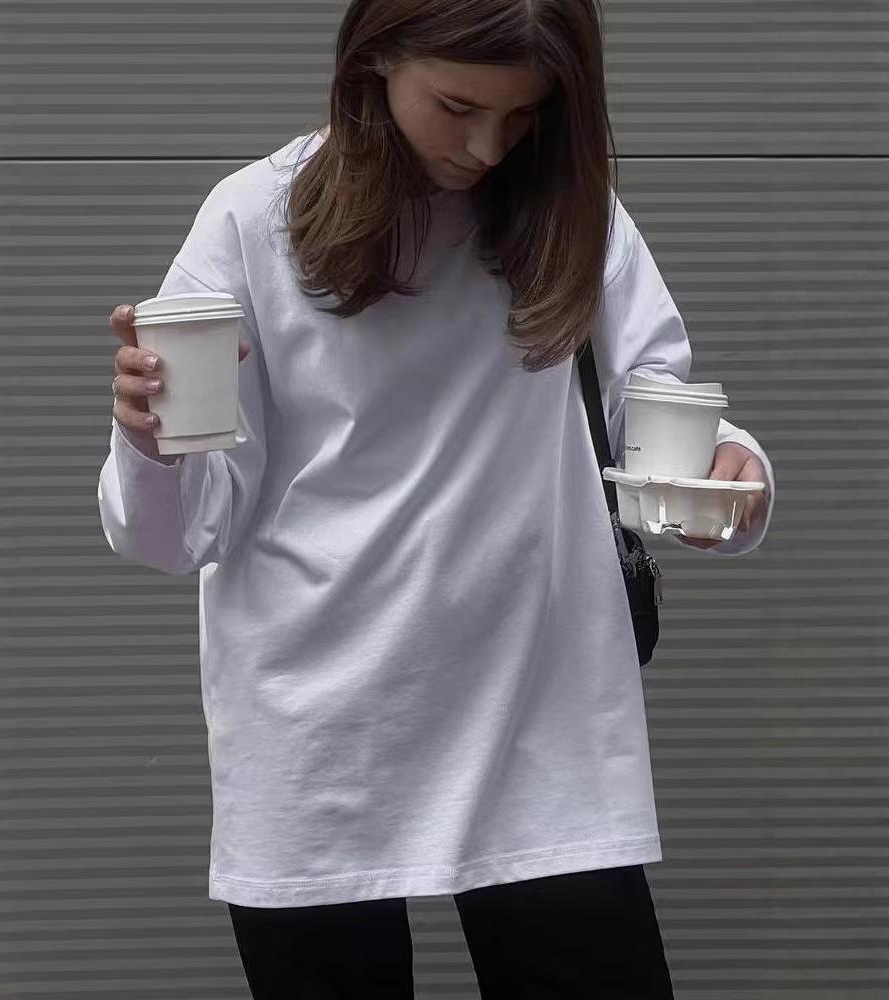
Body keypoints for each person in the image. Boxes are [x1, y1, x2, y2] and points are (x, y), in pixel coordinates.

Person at [97, 1, 774, 996]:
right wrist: (149, 442)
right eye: (457, 107)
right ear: (375, 61)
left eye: (521, 116)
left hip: (541, 722)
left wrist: (730, 467)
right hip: (318, 739)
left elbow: (657, 406)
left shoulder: (573, 213)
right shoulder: (252, 218)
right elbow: (178, 535)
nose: (487, 148)